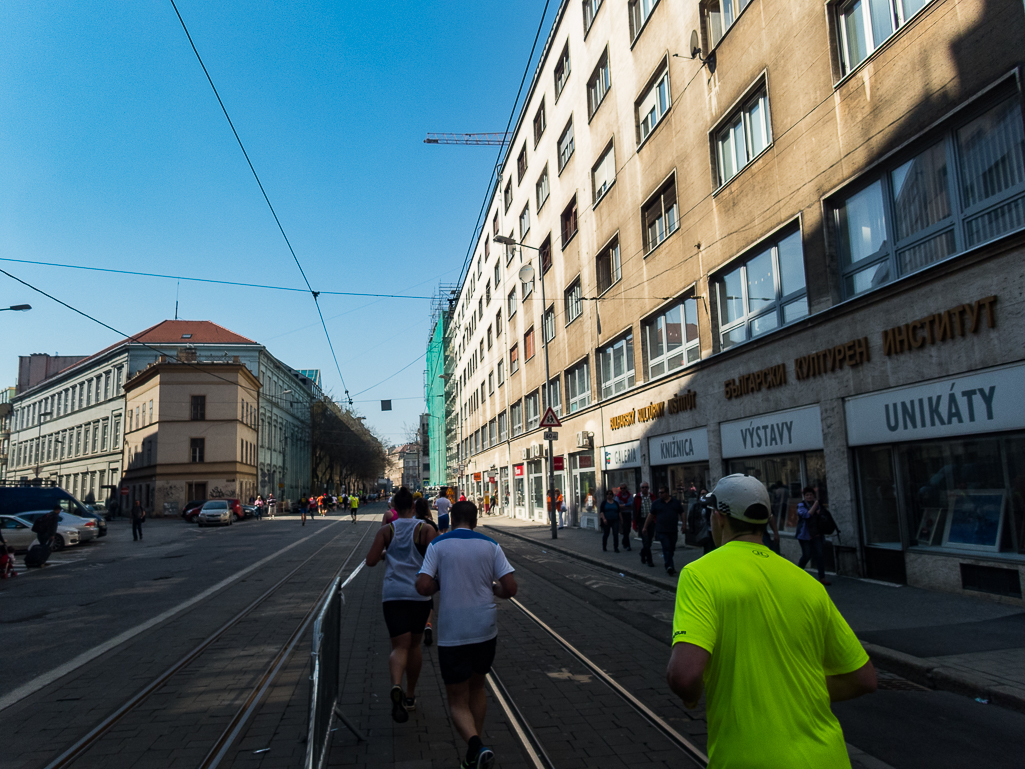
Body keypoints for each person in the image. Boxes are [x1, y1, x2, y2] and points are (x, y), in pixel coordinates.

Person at [666, 474, 876, 768]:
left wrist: (693, 695)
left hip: (751, 758)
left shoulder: (700, 574)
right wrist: (798, 689)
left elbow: (684, 676)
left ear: (719, 517)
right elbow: (864, 678)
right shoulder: (806, 582)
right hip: (828, 757)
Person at [416, 501, 517, 769]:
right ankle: (476, 747)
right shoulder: (490, 545)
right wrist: (495, 591)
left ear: (451, 517)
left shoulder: (439, 545)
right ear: (475, 520)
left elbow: (423, 585)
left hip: (454, 631)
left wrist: (440, 583)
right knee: (477, 686)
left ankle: (475, 746)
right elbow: (510, 587)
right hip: (485, 628)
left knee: (457, 698)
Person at [365, 488, 437, 723]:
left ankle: (396, 684)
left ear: (394, 507)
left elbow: (370, 561)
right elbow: (437, 559)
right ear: (414, 508)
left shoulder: (387, 530)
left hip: (393, 595)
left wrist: (387, 552)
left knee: (398, 646)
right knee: (414, 646)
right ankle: (409, 695)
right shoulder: (425, 529)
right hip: (418, 595)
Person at [413, 497, 439, 646]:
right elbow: (435, 547)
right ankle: (428, 624)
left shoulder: (413, 525)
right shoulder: (431, 525)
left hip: (412, 564)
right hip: (427, 566)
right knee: (428, 600)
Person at [643, 486, 684, 575]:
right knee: (666, 548)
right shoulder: (656, 503)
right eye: (659, 493)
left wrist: (684, 524)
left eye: (662, 492)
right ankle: (669, 566)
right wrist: (645, 527)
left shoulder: (675, 502)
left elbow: (682, 513)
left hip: (673, 530)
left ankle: (669, 563)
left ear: (667, 493)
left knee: (672, 548)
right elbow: (650, 515)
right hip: (661, 530)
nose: (660, 494)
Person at [797, 486, 830, 585]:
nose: (809, 497)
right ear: (804, 496)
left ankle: (822, 577)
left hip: (816, 534)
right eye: (807, 495)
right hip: (804, 535)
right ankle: (798, 573)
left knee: (819, 555)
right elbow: (807, 515)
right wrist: (816, 504)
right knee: (807, 555)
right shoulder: (801, 505)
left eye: (811, 495)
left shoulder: (818, 505)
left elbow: (822, 515)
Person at [634, 483, 657, 566]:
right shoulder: (637, 498)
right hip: (642, 521)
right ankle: (649, 560)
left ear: (648, 488)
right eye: (643, 487)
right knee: (646, 541)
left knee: (649, 541)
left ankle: (643, 553)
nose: (644, 489)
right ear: (640, 488)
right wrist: (635, 524)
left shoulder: (652, 497)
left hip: (651, 521)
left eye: (646, 487)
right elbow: (634, 512)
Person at [615, 485, 633, 551]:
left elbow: (632, 503)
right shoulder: (618, 496)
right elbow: (617, 505)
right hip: (622, 514)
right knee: (625, 529)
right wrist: (624, 506)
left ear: (626, 489)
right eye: (621, 488)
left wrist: (624, 505)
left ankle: (624, 541)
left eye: (624, 488)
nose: (622, 490)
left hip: (628, 513)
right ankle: (628, 545)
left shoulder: (629, 495)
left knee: (628, 529)